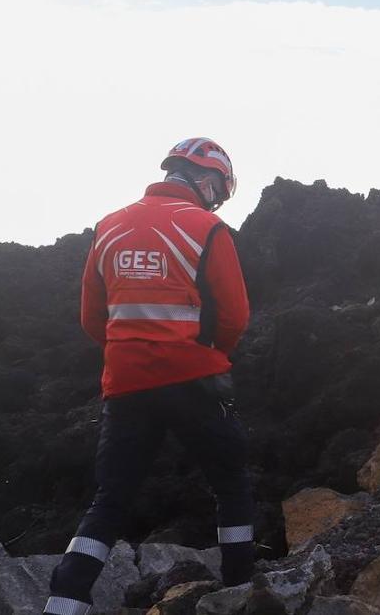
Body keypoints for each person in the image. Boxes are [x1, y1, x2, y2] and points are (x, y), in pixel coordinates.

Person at [44, 138, 253, 615]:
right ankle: (241, 589)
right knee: (231, 482)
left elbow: (92, 319)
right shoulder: (208, 227)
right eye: (218, 188)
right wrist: (203, 354)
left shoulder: (109, 227)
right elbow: (235, 317)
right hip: (195, 381)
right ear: (205, 181)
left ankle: (63, 601)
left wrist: (134, 352)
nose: (217, 198)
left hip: (126, 385)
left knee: (111, 498)